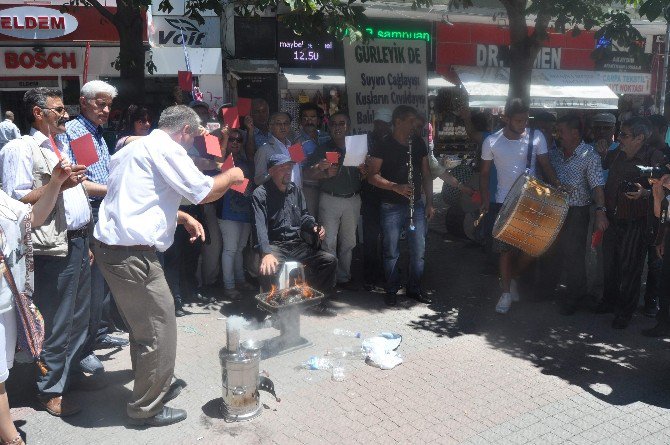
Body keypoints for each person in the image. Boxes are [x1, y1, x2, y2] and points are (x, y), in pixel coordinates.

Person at [93, 105, 245, 426]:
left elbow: (139, 198)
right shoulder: (167, 148)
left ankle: (154, 383)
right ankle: (146, 408)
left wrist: (180, 216)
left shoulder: (137, 148)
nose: (195, 143)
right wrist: (232, 175)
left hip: (115, 251)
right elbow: (203, 192)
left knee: (143, 327)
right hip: (133, 255)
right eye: (195, 135)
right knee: (159, 330)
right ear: (186, 131)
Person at [0, 87, 90, 416]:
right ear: (39, 113)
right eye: (58, 109)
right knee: (56, 319)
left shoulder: (61, 143)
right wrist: (57, 184)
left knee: (80, 316)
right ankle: (48, 388)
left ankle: (67, 375)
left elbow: (76, 189)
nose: (65, 115)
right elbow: (15, 204)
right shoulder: (20, 149)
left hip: (79, 240)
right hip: (52, 248)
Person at [0, 150, 74, 445]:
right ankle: (10, 437)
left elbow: (30, 218)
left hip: (7, 298)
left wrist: (55, 182)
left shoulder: (2, 199)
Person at [55, 80, 128, 378]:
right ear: (83, 102)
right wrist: (115, 190)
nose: (106, 110)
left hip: (103, 209)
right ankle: (83, 349)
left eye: (109, 105)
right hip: (89, 214)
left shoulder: (96, 133)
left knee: (102, 281)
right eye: (101, 104)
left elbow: (98, 171)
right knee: (91, 283)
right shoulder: (76, 131)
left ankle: (96, 333)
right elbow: (78, 181)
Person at [479, 98, 562, 314]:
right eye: (518, 120)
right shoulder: (492, 142)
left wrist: (558, 186)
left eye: (526, 120)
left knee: (532, 249)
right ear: (506, 118)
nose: (523, 124)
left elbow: (545, 165)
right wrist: (485, 199)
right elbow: (485, 173)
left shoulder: (537, 137)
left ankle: (511, 277)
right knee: (505, 250)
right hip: (502, 201)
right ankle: (506, 292)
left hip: (531, 200)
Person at [596, 117, 667, 329]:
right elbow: (602, 163)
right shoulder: (617, 152)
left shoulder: (654, 157)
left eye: (624, 135)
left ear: (640, 137)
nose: (620, 138)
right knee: (610, 263)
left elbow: (666, 185)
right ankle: (609, 300)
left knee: (630, 267)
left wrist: (646, 192)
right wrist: (602, 152)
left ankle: (625, 312)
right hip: (611, 216)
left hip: (636, 220)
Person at [367, 105, 435, 307]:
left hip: (417, 205)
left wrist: (430, 202)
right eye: (412, 120)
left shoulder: (418, 143)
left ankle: (414, 288)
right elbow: (372, 176)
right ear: (398, 121)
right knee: (391, 250)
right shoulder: (383, 144)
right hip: (391, 206)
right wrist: (395, 187)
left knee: (419, 250)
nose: (416, 125)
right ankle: (391, 289)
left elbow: (426, 174)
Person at [252, 154, 337, 306]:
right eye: (282, 168)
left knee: (329, 261)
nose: (288, 171)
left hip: (296, 244)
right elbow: (260, 226)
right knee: (269, 268)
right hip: (274, 244)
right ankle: (272, 306)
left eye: (289, 167)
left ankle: (314, 300)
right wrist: (266, 253)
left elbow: (304, 216)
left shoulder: (295, 190)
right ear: (271, 171)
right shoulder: (260, 194)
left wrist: (314, 226)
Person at [544, 113, 608, 315]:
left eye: (561, 131)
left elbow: (597, 186)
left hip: (576, 212)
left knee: (574, 255)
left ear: (574, 133)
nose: (558, 135)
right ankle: (550, 291)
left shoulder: (590, 156)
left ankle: (574, 298)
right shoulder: (554, 153)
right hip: (554, 210)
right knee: (552, 250)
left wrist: (601, 211)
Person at [305, 112, 366, 290]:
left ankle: (344, 277)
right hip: (329, 199)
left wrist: (365, 171)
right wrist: (321, 170)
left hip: (353, 199)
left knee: (349, 242)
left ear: (348, 126)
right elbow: (306, 174)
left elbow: (366, 175)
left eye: (342, 123)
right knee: (328, 240)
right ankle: (329, 279)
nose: (337, 127)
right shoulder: (323, 148)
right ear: (329, 127)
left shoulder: (357, 148)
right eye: (333, 124)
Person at [217, 128, 255, 300]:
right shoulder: (223, 159)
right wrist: (224, 138)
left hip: (245, 209)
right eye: (232, 139)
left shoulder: (245, 160)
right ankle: (229, 285)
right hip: (227, 211)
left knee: (239, 248)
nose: (235, 142)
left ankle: (240, 280)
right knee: (230, 249)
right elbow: (219, 161)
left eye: (239, 140)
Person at [362, 108, 392, 292]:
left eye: (385, 124)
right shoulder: (365, 140)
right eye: (378, 123)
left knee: (388, 238)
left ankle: (386, 274)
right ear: (374, 123)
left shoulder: (393, 141)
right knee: (371, 238)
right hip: (370, 195)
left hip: (389, 195)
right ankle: (370, 275)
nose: (381, 127)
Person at [296, 103, 329, 219]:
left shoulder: (327, 137)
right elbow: (298, 171)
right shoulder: (296, 143)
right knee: (310, 226)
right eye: (305, 117)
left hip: (329, 189)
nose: (309, 121)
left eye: (313, 117)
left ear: (318, 120)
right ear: (300, 121)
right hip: (309, 189)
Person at [254, 112, 302, 186]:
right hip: (277, 195)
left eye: (286, 123)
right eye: (278, 124)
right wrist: (272, 172)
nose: (283, 127)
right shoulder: (264, 150)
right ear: (270, 127)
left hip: (296, 195)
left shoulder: (295, 147)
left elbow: (299, 174)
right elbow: (258, 180)